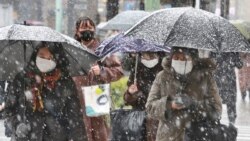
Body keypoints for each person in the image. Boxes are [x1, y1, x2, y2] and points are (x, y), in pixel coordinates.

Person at [0, 42, 87, 141]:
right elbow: (8, 110)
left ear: (56, 60)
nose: (44, 60)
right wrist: (16, 125)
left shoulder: (65, 82)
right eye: (41, 56)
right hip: (26, 138)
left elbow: (75, 119)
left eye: (49, 58)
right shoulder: (22, 79)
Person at [146, 47, 222, 141]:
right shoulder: (162, 77)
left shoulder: (205, 77)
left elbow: (216, 110)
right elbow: (149, 107)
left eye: (184, 58)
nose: (179, 61)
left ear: (193, 59)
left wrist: (193, 104)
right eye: (176, 58)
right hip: (168, 137)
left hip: (197, 135)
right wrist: (169, 104)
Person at [73, 16, 124, 141]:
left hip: (97, 95)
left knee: (99, 132)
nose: (87, 31)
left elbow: (118, 71)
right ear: (77, 31)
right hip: (76, 98)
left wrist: (102, 72)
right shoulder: (72, 49)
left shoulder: (103, 50)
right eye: (84, 28)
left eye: (90, 28)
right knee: (80, 131)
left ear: (94, 30)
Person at [124, 52, 163, 141]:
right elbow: (127, 100)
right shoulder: (137, 70)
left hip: (159, 118)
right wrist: (131, 93)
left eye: (151, 56)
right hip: (139, 120)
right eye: (144, 56)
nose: (147, 59)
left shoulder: (164, 71)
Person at [214, 52, 243, 124]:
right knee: (230, 104)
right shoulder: (233, 50)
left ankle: (218, 123)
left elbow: (210, 63)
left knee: (217, 103)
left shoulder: (214, 48)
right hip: (229, 80)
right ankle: (231, 124)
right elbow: (239, 65)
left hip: (219, 80)